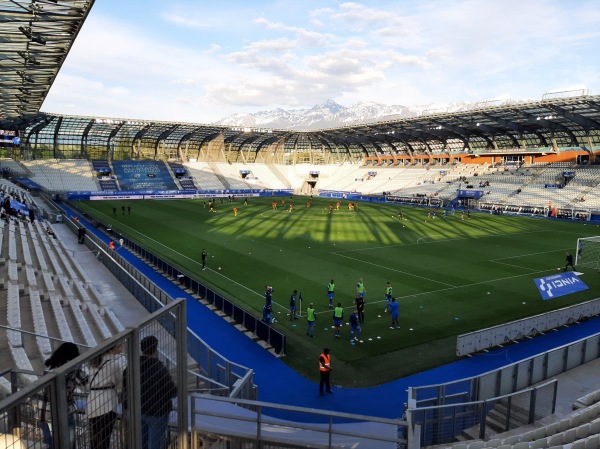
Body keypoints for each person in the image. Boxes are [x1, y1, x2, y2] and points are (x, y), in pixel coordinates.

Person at [124, 336, 177, 449]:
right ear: (155, 349)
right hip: (157, 412)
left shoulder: (131, 367)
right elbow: (173, 391)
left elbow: (125, 387)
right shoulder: (159, 368)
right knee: (155, 443)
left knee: (140, 442)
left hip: (137, 410)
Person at [44, 342, 88, 449]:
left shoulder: (50, 369)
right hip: (66, 409)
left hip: (49, 410)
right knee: (69, 442)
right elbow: (86, 386)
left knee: (54, 442)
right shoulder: (73, 370)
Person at [87, 344, 126, 449]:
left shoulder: (94, 362)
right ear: (112, 349)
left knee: (94, 436)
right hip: (107, 400)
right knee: (105, 436)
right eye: (119, 346)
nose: (121, 348)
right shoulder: (114, 363)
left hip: (92, 400)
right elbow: (120, 382)